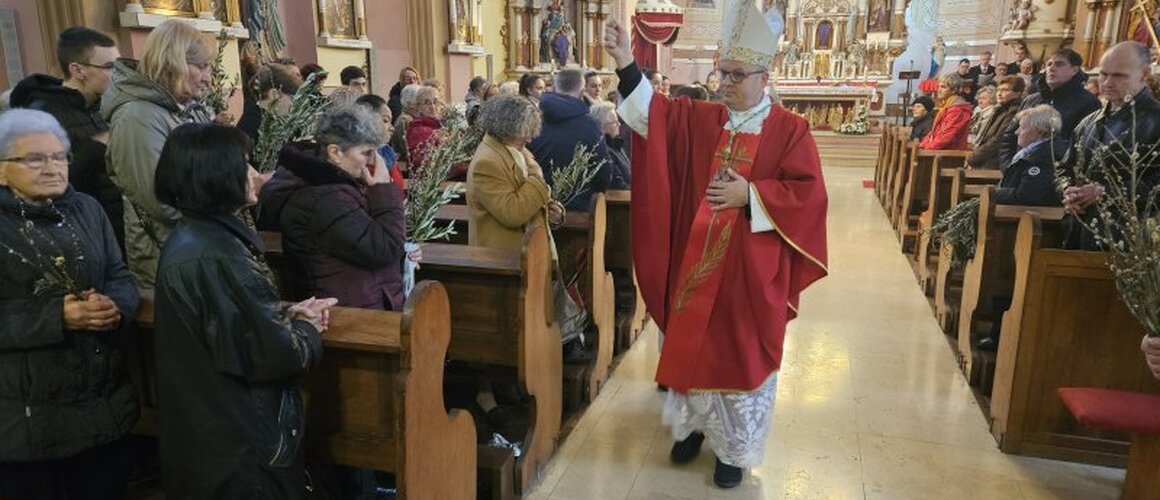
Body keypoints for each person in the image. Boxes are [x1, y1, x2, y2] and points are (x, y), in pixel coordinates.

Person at [603, 0, 828, 487]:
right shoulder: (705, 118)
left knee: (740, 351)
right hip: (696, 262)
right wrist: (625, 61)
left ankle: (734, 451)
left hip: (750, 269)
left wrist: (752, 196)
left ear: (764, 77)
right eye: (719, 74)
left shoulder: (790, 131)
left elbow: (810, 197)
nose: (723, 84)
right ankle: (691, 430)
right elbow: (652, 117)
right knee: (688, 344)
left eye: (735, 76)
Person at [152, 122, 336, 500]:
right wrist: (307, 326)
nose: (256, 174)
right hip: (240, 442)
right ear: (217, 176)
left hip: (212, 434)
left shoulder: (197, 237)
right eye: (245, 164)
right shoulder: (216, 252)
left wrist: (281, 311)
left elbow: (233, 320)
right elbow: (277, 354)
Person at [0, 109, 139, 500]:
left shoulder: (88, 209)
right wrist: (55, 316)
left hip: (103, 408)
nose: (52, 167)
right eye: (34, 159)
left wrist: (116, 306)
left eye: (60, 156)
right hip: (28, 424)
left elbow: (119, 274)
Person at [103, 20, 215, 288]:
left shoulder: (186, 107)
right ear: (172, 61)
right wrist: (224, 202)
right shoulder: (137, 117)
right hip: (167, 254)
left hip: (199, 244)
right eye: (201, 66)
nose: (208, 77)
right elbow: (160, 199)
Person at [10, 27, 125, 250]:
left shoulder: (101, 105)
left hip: (112, 225)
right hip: (78, 233)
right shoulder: (43, 114)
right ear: (77, 70)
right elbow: (39, 181)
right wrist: (97, 145)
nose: (118, 74)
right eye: (110, 67)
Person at [1060, 41, 1160, 250]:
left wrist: (1105, 193)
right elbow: (1064, 167)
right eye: (1103, 74)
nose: (1107, 82)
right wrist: (1067, 189)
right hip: (1079, 230)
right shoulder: (1089, 121)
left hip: (1132, 241)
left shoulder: (1155, 119)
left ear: (1145, 74)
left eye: (1119, 76)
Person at [998, 48, 1100, 169]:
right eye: (1049, 64)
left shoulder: (1088, 103)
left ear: (1074, 70)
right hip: (1019, 171)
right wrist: (1009, 167)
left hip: (1055, 177)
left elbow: (1084, 147)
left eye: (1059, 64)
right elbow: (1010, 136)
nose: (1051, 68)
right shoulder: (1031, 100)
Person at [528, 68, 611, 211]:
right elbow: (603, 172)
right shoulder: (590, 126)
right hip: (579, 208)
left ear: (554, 88)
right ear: (581, 92)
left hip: (537, 208)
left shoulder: (532, 120)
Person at [995, 104, 1068, 205]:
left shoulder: (1045, 157)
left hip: (1027, 216)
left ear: (1040, 130)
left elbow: (1027, 196)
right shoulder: (1036, 152)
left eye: (1022, 128)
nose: (1017, 132)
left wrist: (993, 193)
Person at [968, 76, 1026, 170]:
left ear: (1018, 93)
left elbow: (999, 139)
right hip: (986, 159)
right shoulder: (1000, 109)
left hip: (997, 163)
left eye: (1005, 90)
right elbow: (986, 137)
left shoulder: (1015, 111)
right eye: (998, 90)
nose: (999, 94)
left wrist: (974, 158)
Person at [355, 93, 406, 186]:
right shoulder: (358, 160)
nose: (392, 128)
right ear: (367, 121)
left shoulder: (386, 152)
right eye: (385, 121)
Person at [406, 86, 458, 177]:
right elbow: (426, 164)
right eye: (427, 103)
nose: (433, 107)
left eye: (435, 102)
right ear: (418, 107)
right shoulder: (419, 130)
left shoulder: (441, 125)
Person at [919, 73, 973, 150]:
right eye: (938, 86)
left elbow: (946, 137)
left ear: (954, 90)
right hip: (939, 151)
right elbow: (934, 133)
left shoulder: (957, 110)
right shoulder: (947, 106)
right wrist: (922, 145)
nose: (939, 90)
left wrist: (927, 148)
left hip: (949, 155)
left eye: (943, 87)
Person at [590, 101, 631, 190]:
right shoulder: (604, 151)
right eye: (615, 122)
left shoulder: (615, 144)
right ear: (603, 126)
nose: (619, 124)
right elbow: (618, 185)